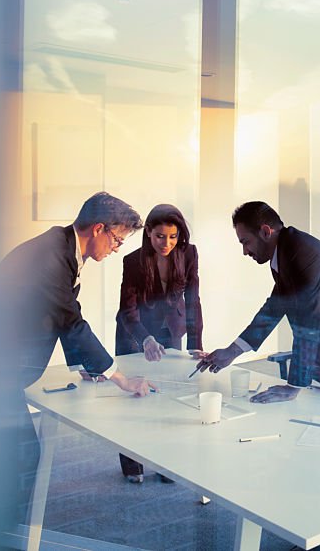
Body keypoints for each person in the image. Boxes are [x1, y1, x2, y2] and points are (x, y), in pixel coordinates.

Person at [0, 191, 154, 519]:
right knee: (21, 455)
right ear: (98, 229)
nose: (116, 248)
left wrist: (85, 363)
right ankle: (6, 531)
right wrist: (121, 379)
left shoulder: (61, 248)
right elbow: (71, 321)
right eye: (117, 240)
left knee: (17, 455)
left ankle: (5, 526)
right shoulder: (51, 257)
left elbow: (65, 310)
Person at [197, 201, 320, 405]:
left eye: (246, 242)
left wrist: (293, 386)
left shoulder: (301, 253)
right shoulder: (284, 253)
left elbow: (308, 321)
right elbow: (273, 308)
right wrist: (231, 351)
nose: (245, 251)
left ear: (265, 231)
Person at [114, 203, 203, 483]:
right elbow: (127, 310)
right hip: (134, 332)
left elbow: (193, 299)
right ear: (149, 233)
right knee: (134, 401)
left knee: (168, 398)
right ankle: (132, 464)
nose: (167, 243)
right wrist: (145, 339)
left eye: (173, 236)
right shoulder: (133, 261)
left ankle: (166, 463)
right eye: (160, 236)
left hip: (170, 329)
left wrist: (195, 343)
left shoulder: (189, 254)